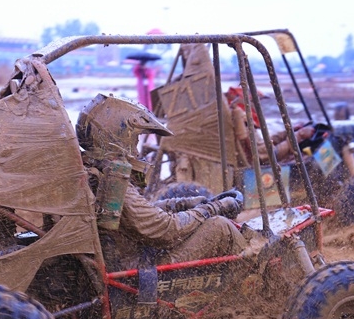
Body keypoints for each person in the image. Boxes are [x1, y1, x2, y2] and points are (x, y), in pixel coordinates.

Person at [76, 93, 247, 270]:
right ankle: (253, 278)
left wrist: (184, 204)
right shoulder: (113, 180)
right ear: (117, 139)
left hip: (128, 260)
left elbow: (140, 215)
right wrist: (213, 208)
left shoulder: (94, 170)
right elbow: (166, 229)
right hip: (140, 270)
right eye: (134, 141)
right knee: (219, 227)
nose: (136, 151)